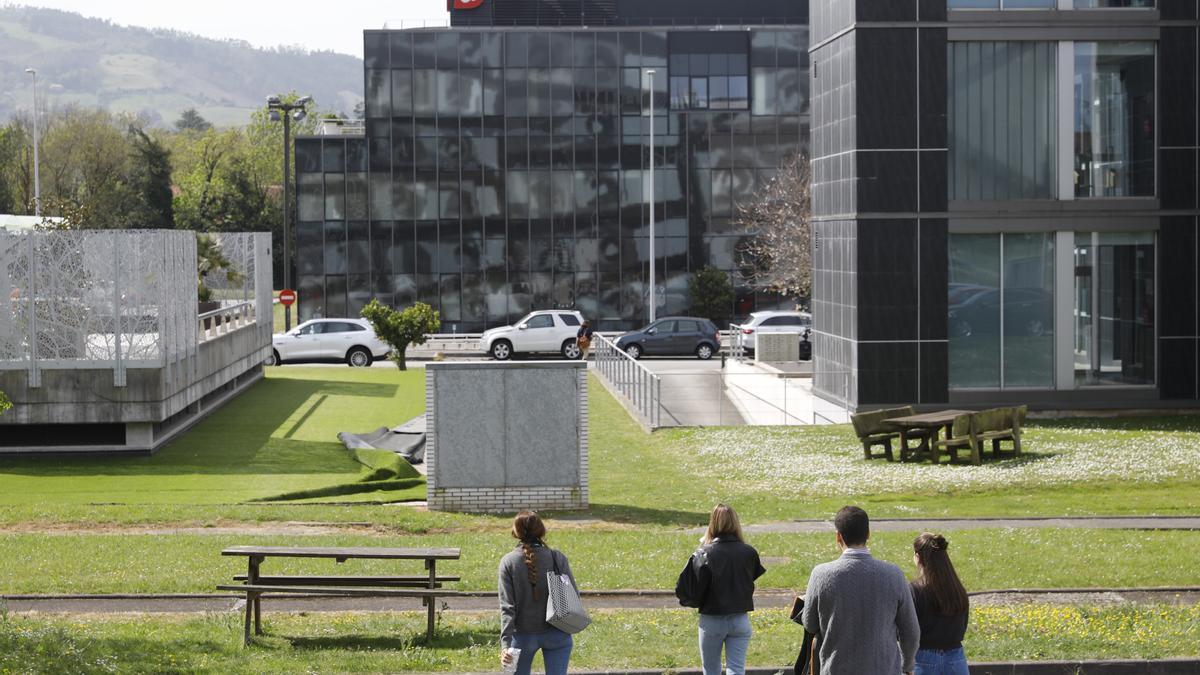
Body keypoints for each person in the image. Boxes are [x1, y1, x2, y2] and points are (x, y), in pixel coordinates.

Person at [801, 506, 919, 674]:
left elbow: (810, 624)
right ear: (868, 534)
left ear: (838, 537)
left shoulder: (821, 574)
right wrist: (907, 666)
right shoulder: (894, 574)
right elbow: (911, 631)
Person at [685, 504, 766, 675]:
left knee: (711, 669)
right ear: (736, 523)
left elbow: (689, 585)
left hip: (712, 618)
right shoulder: (749, 552)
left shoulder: (704, 553)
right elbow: (751, 576)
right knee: (736, 669)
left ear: (712, 523)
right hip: (740, 618)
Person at [499, 511, 576, 675]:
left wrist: (505, 645)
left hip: (522, 637)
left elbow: (507, 608)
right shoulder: (557, 558)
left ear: (516, 532)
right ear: (542, 530)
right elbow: (573, 594)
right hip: (558, 634)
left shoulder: (508, 562)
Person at [910, 533, 970, 675]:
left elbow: (907, 629)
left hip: (923, 657)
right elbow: (963, 626)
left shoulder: (915, 590)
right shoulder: (958, 588)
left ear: (918, 557)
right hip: (956, 657)